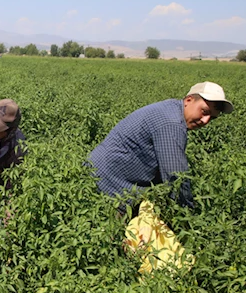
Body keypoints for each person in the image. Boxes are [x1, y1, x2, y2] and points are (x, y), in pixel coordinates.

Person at [89, 81, 234, 213]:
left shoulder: (171, 108)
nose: (205, 121)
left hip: (98, 172)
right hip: (109, 185)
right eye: (204, 112)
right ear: (189, 100)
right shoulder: (171, 123)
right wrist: (188, 216)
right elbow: (175, 177)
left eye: (212, 118)